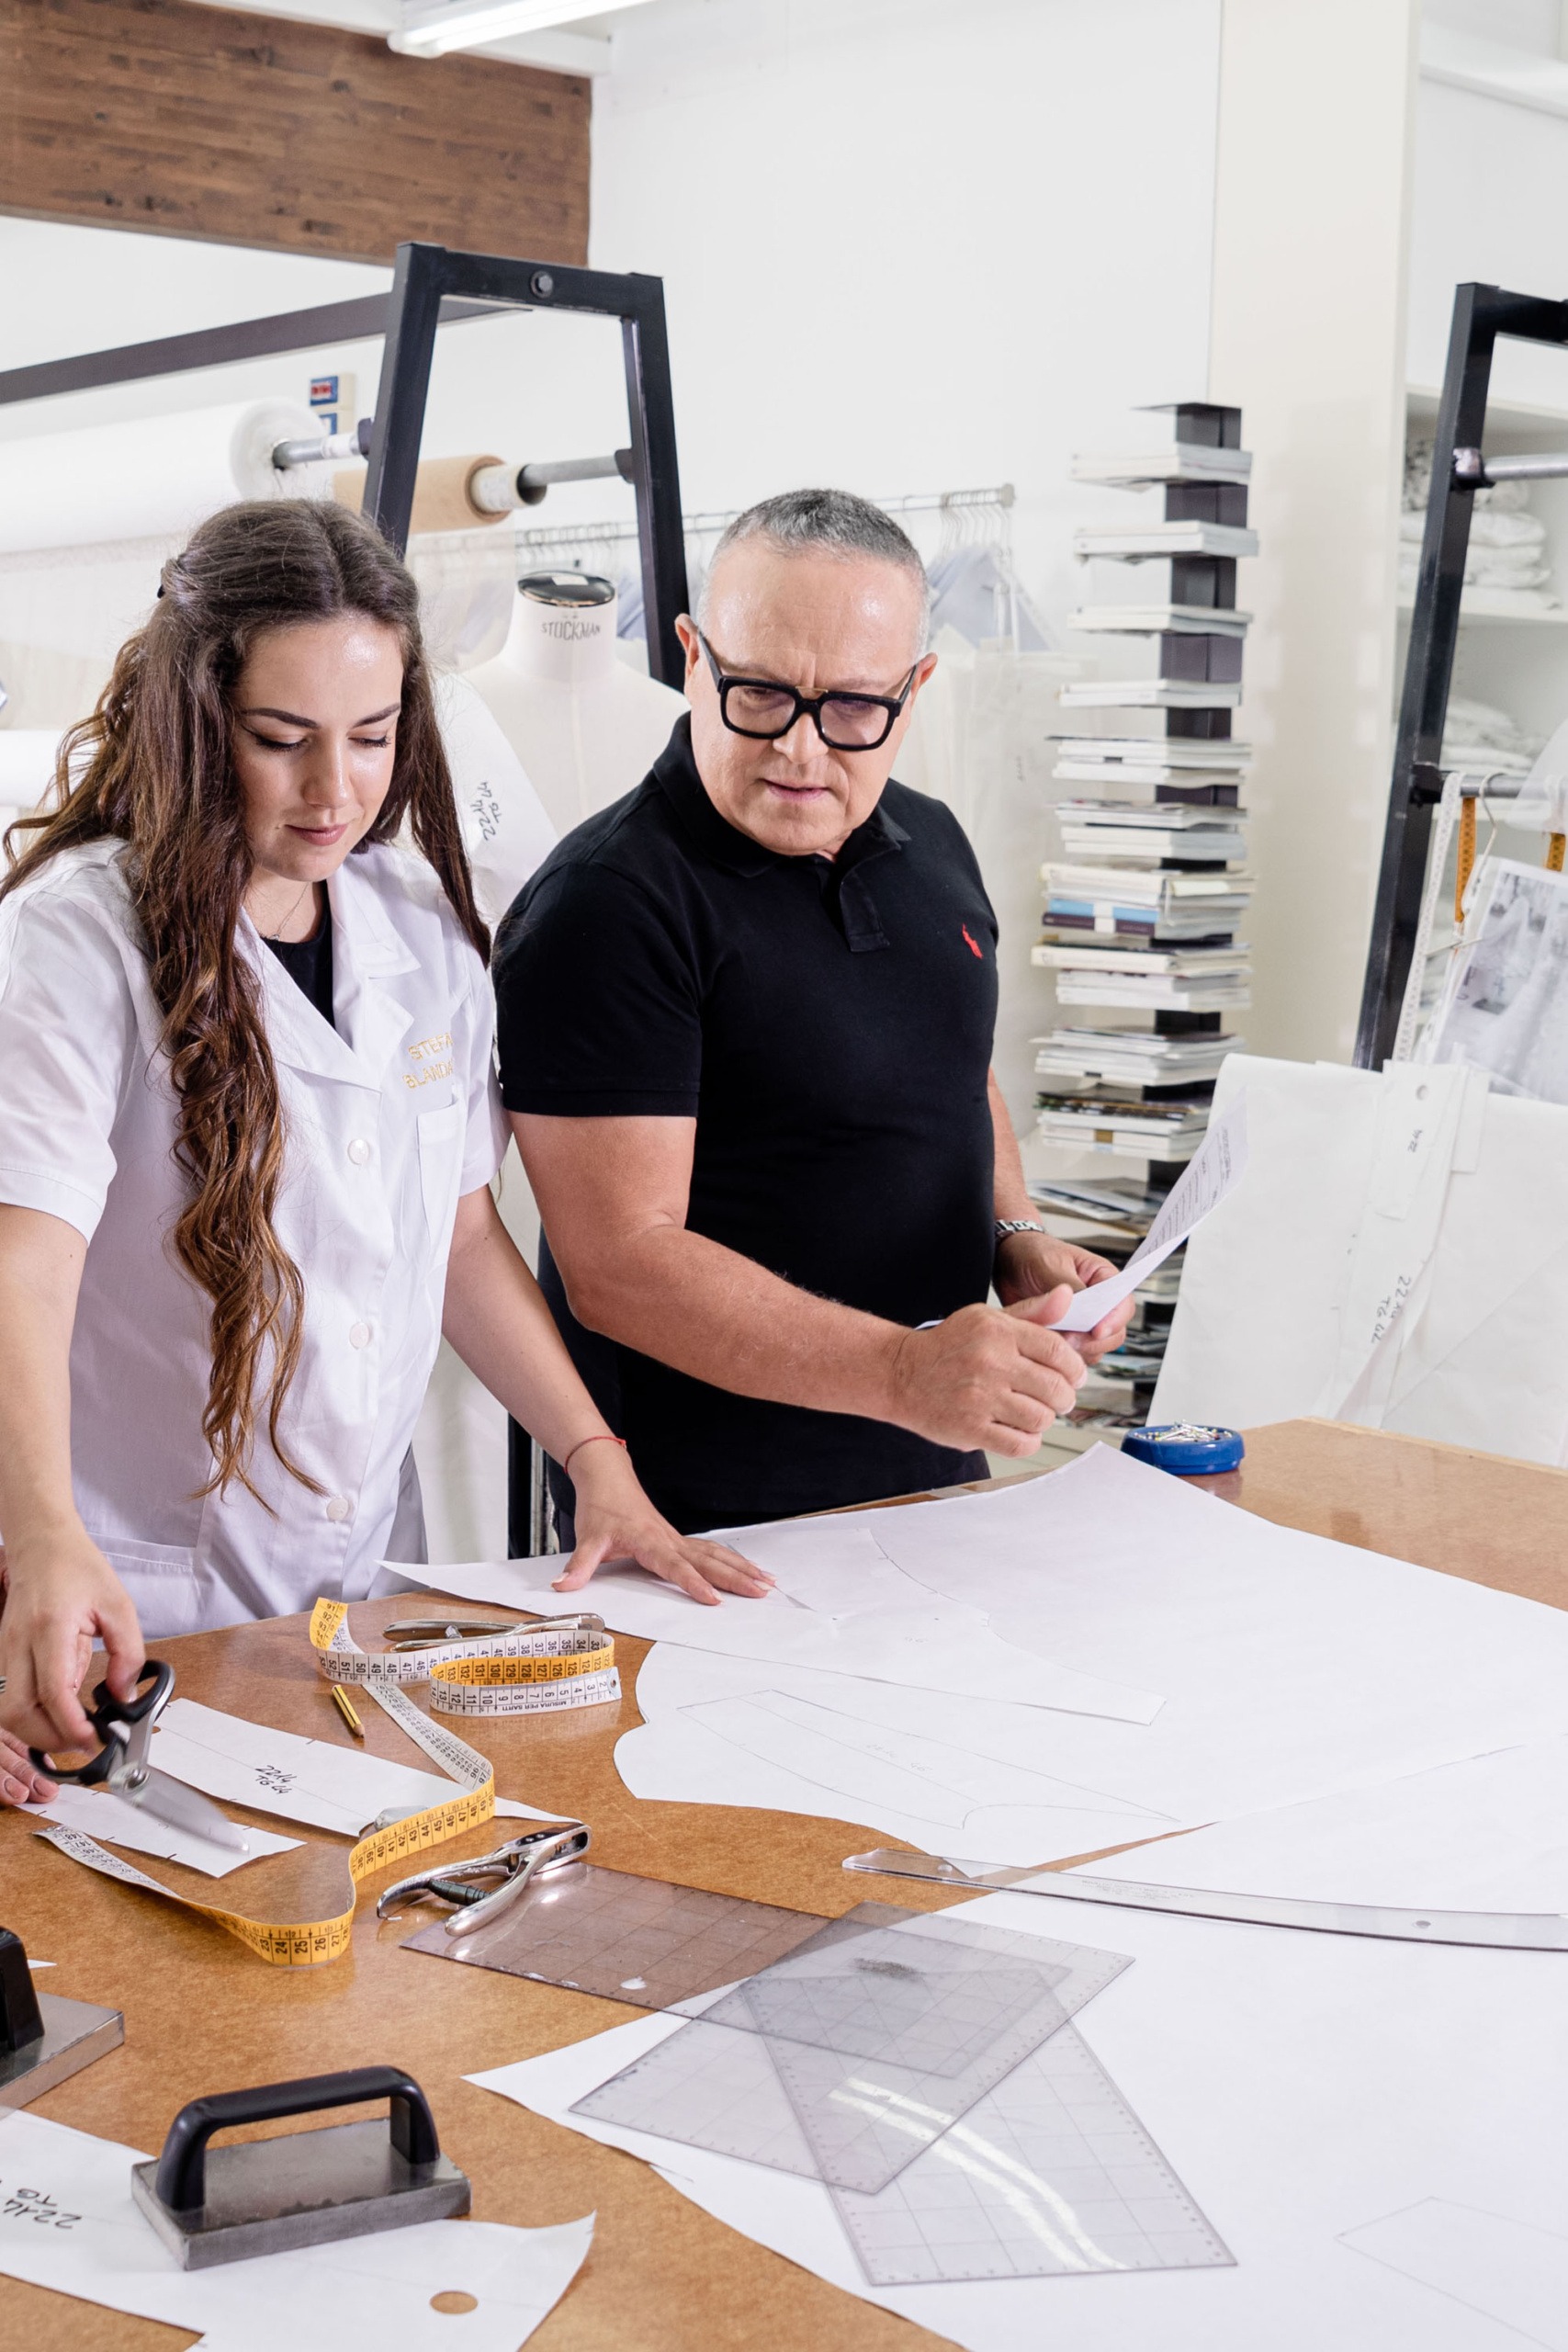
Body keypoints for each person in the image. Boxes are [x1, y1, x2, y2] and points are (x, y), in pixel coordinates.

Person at [0, 499, 767, 1806]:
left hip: (353, 1585)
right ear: (196, 724)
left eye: (369, 738)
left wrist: (596, 1462)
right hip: (130, 1581)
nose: (334, 791)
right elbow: (26, 1263)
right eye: (279, 741)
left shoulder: (418, 932)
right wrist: (41, 1542)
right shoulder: (77, 947)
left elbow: (458, 1239)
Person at [494, 487, 1134, 1555]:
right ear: (693, 657)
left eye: (850, 710)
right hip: (709, 1531)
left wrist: (1014, 1234)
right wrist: (904, 1371)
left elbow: (953, 1069)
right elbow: (620, 1264)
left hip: (938, 1485)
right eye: (758, 696)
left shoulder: (931, 841)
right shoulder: (608, 905)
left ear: (914, 690)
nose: (800, 750)